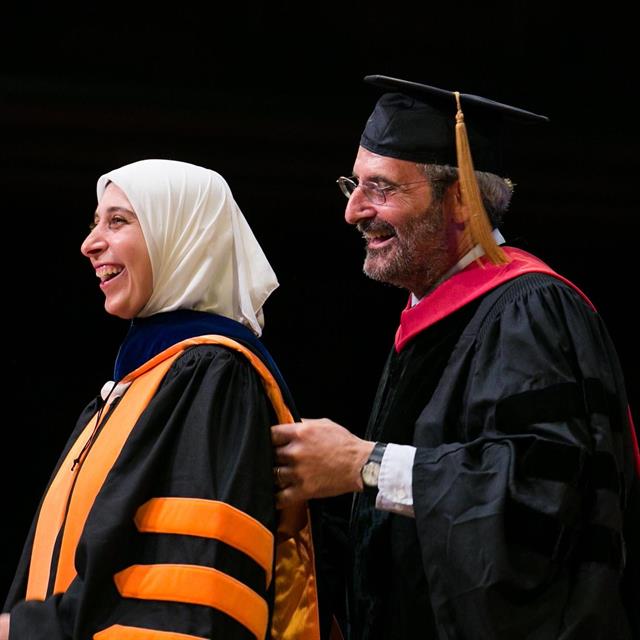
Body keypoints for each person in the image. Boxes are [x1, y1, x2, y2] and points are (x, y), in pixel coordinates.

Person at [271, 76, 640, 639]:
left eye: (381, 188)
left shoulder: (530, 310)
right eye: (354, 184)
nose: (353, 210)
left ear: (461, 199)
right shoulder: (436, 322)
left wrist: (366, 465)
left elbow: (539, 497)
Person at [2, 159, 321, 640]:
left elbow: (187, 590)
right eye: (95, 222)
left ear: (182, 234)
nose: (90, 243)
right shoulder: (132, 389)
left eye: (118, 220)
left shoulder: (216, 377)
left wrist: (27, 632)